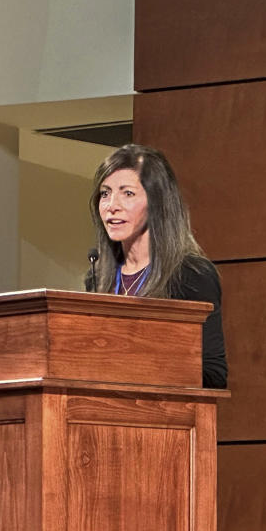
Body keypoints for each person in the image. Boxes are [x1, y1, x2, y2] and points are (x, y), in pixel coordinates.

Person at [85, 144, 228, 389]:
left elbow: (213, 373)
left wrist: (141, 368)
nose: (111, 205)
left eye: (127, 193)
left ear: (157, 202)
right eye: (105, 193)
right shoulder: (97, 278)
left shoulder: (191, 274)